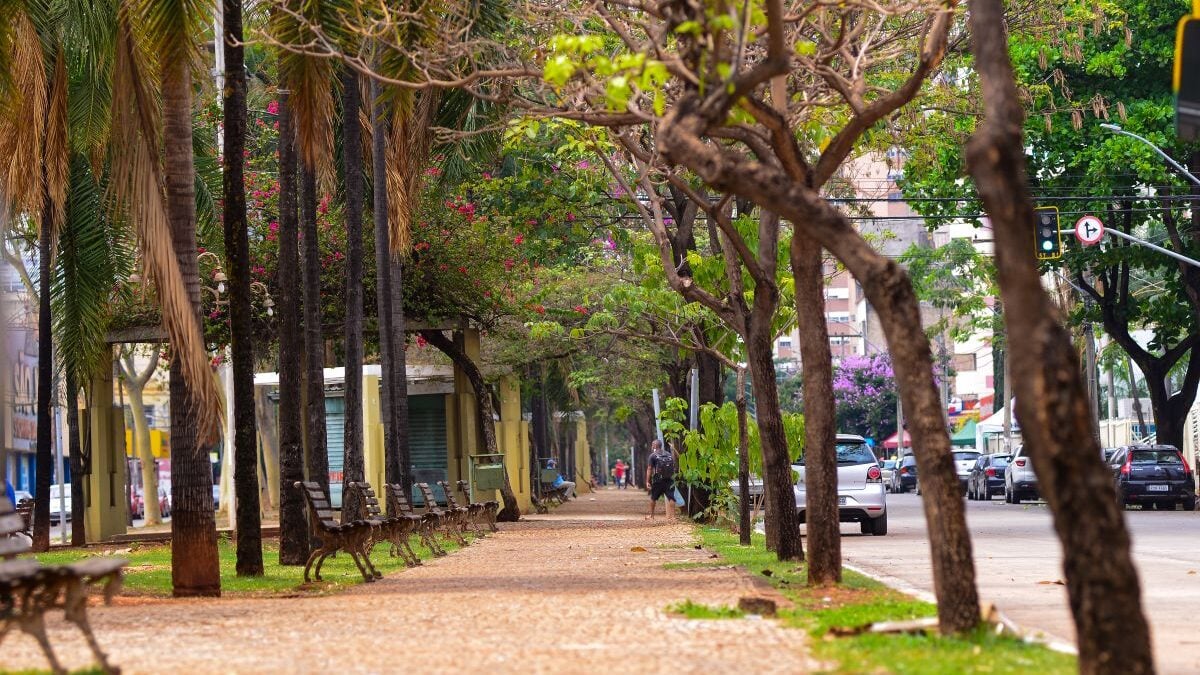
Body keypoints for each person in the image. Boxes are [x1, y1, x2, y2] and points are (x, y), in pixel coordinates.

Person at [646, 439, 677, 520]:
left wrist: (647, 481)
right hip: (669, 479)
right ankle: (673, 517)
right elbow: (673, 466)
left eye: (652, 445)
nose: (652, 446)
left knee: (653, 498)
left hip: (657, 480)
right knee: (671, 497)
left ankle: (652, 516)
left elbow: (649, 468)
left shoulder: (653, 456)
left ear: (655, 446)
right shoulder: (669, 454)